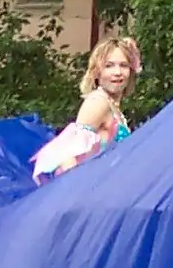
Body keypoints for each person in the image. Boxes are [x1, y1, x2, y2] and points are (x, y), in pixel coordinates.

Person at [32, 36, 141, 182]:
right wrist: (77, 190)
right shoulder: (98, 102)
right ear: (97, 72)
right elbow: (67, 156)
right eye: (109, 66)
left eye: (123, 65)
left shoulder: (112, 106)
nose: (117, 72)